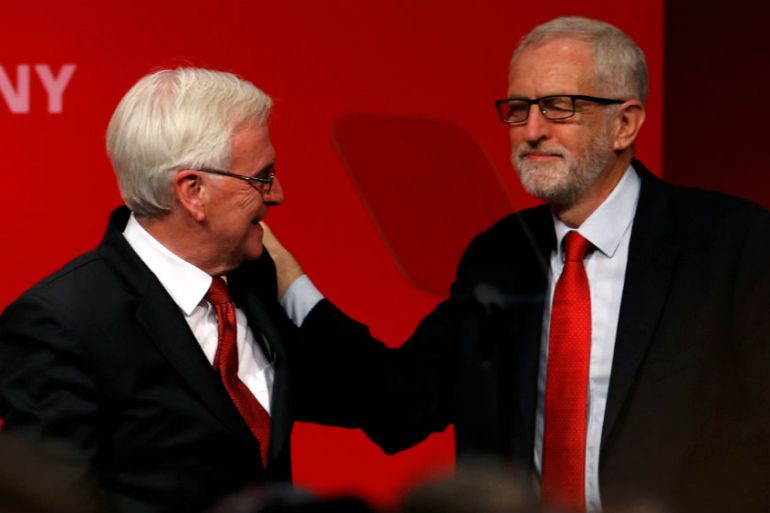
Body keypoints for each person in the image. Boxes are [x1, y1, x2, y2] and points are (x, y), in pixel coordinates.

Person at [267, 16, 770, 513]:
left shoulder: (736, 245)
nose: (531, 131)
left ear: (625, 123)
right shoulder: (498, 255)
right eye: (519, 109)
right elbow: (398, 404)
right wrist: (290, 282)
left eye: (558, 107)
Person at [0, 68, 309, 513]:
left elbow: (378, 398)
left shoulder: (255, 280)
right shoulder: (61, 324)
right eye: (261, 177)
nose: (276, 194)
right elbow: (45, 504)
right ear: (193, 191)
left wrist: (299, 287)